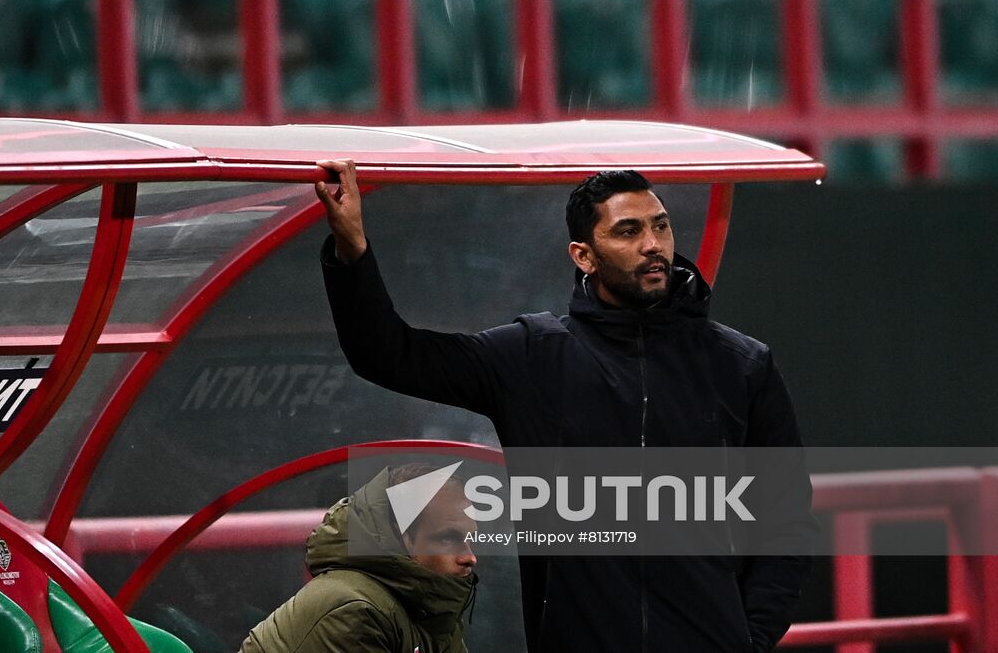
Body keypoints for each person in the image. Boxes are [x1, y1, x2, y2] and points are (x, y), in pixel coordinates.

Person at [314, 163, 815, 653]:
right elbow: (389, 355)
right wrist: (351, 248)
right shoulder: (534, 354)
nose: (653, 245)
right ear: (584, 255)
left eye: (661, 225)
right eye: (628, 231)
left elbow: (785, 516)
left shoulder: (742, 364)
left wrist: (748, 638)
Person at [240, 465, 477, 653]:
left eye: (469, 539)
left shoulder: (429, 610)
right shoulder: (357, 612)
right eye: (447, 539)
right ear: (400, 537)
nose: (470, 558)